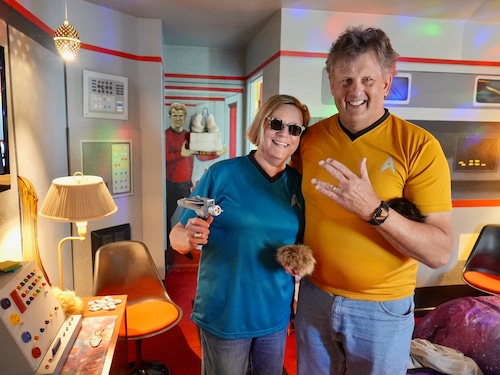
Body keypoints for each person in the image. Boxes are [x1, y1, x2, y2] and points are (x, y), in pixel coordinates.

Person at [290, 26, 454, 375]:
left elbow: (440, 252)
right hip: (315, 297)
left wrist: (375, 210)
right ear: (331, 83)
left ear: (386, 81)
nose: (355, 91)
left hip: (382, 308)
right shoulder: (309, 140)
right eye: (345, 80)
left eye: (367, 79)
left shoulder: (419, 147)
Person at [170, 94, 310, 375]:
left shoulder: (299, 185)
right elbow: (177, 234)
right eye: (277, 124)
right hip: (225, 314)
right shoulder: (221, 174)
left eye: (294, 129)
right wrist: (189, 238)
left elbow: (301, 244)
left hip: (274, 314)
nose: (284, 134)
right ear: (261, 125)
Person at [165, 103, 223, 256]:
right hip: (170, 184)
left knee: (188, 218)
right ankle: (167, 248)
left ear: (184, 117)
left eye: (181, 116)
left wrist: (217, 154)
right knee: (168, 216)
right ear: (170, 117)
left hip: (187, 183)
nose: (178, 119)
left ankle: (188, 246)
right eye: (175, 115)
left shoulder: (188, 136)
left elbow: (200, 155)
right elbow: (162, 158)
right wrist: (181, 154)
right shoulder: (166, 136)